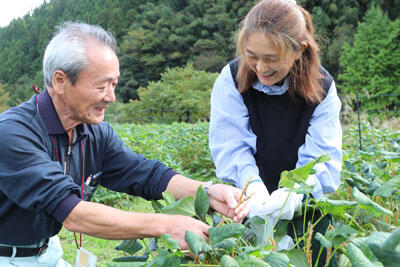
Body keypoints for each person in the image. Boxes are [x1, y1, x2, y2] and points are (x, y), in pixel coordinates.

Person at [0, 22, 249, 267]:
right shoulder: (13, 134)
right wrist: (165, 225)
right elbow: (73, 214)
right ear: (60, 81)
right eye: (101, 85)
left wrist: (207, 191)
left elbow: (147, 175)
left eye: (114, 84)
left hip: (47, 249)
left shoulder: (93, 132)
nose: (111, 97)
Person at [209, 0, 341, 265]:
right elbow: (231, 145)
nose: (260, 67)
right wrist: (253, 188)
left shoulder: (322, 88)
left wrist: (293, 193)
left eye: (271, 58)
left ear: (298, 51)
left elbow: (322, 159)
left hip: (305, 204)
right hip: (245, 202)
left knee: (312, 258)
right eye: (252, 55)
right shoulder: (232, 78)